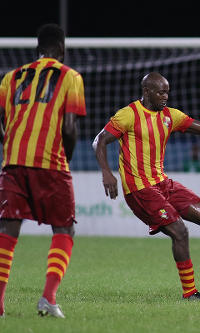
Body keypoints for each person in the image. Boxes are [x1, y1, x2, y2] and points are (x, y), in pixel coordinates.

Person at [92, 72, 200, 301]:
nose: (166, 96)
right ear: (147, 92)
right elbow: (100, 141)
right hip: (140, 190)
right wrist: (106, 172)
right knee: (179, 231)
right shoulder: (128, 115)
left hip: (162, 183)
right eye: (161, 92)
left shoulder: (170, 116)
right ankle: (190, 292)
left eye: (167, 91)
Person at [0, 24, 86, 318]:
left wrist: (9, 141)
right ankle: (48, 299)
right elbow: (70, 129)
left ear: (37, 49)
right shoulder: (70, 76)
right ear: (61, 49)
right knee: (64, 228)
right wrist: (67, 160)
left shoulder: (10, 77)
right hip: (50, 163)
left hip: (13, 162)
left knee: (8, 228)